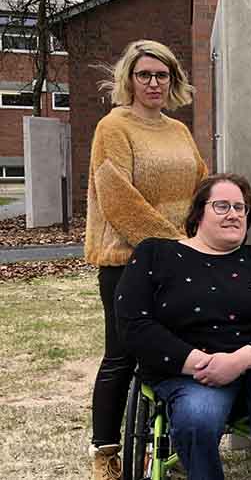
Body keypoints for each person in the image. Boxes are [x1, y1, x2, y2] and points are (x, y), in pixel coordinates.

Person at [117, 174, 251, 480]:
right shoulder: (155, 253)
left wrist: (238, 361)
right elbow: (135, 324)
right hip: (190, 366)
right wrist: (200, 363)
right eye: (222, 206)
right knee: (197, 418)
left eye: (240, 208)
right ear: (197, 213)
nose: (234, 214)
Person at [84, 40, 207, 480]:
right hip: (126, 261)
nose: (154, 83)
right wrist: (172, 244)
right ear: (129, 80)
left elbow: (201, 186)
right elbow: (117, 197)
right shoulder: (113, 127)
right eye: (145, 75)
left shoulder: (178, 131)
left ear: (173, 80)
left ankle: (169, 443)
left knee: (175, 353)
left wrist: (206, 231)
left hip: (177, 261)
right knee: (121, 356)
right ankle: (106, 452)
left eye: (162, 75)